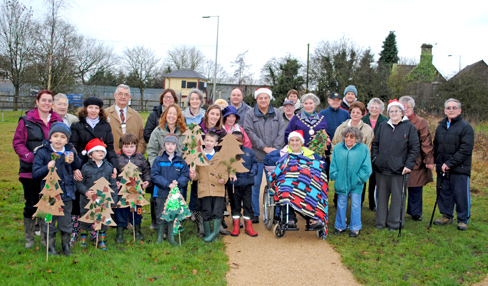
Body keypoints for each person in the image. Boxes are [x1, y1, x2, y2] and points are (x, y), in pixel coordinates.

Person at [13, 89, 62, 249]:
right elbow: (18, 143)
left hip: (51, 171)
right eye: (44, 100)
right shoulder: (26, 120)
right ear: (37, 102)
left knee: (47, 203)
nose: (47, 103)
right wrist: (29, 157)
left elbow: (63, 140)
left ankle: (44, 235)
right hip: (30, 170)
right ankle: (29, 237)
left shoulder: (57, 120)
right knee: (32, 203)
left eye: (49, 101)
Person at [70, 97, 117, 245]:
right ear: (85, 109)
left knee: (100, 198)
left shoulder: (105, 126)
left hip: (102, 167)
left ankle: (96, 230)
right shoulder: (77, 126)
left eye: (96, 108)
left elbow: (109, 148)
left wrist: (114, 166)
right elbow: (73, 146)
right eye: (90, 108)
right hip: (84, 166)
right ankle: (78, 229)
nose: (93, 111)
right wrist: (75, 167)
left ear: (100, 110)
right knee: (82, 199)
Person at [32, 122, 81, 256]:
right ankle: (50, 246)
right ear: (50, 138)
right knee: (49, 220)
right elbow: (35, 174)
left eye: (62, 137)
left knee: (66, 221)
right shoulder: (42, 152)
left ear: (67, 139)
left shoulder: (70, 151)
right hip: (50, 195)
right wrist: (46, 167)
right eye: (55, 136)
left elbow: (78, 165)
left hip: (67, 193)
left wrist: (73, 161)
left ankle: (66, 246)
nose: (59, 139)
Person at [372, 100, 419, 230]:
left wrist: (408, 165)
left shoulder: (410, 128)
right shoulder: (383, 126)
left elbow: (414, 148)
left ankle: (394, 223)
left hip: (400, 170)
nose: (394, 113)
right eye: (391, 111)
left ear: (402, 113)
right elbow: (375, 143)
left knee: (398, 198)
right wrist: (376, 159)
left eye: (396, 111)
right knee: (381, 197)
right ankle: (380, 222)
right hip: (382, 169)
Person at [268, 130, 328, 230]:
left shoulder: (311, 154)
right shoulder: (283, 154)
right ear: (289, 142)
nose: (295, 143)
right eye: (292, 140)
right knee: (286, 191)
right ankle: (290, 218)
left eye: (297, 140)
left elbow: (321, 165)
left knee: (313, 190)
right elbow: (276, 168)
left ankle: (313, 219)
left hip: (306, 181)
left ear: (301, 143)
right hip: (288, 181)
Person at [244, 87, 286, 223]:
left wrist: (274, 149)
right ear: (257, 99)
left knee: (274, 185)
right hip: (256, 156)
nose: (263, 100)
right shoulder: (250, 114)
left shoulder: (277, 113)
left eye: (266, 98)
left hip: (274, 157)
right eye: (260, 98)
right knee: (254, 185)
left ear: (269, 99)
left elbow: (282, 131)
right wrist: (264, 147)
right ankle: (254, 213)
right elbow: (249, 131)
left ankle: (276, 213)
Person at [433, 98, 474, 231]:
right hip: (443, 168)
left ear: (459, 110)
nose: (451, 110)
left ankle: (463, 219)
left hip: (459, 168)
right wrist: (434, 162)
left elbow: (465, 150)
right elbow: (437, 146)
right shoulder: (441, 127)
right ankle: (446, 215)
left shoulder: (466, 127)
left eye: (454, 108)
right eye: (448, 108)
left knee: (460, 194)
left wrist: (450, 163)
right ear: (445, 110)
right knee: (444, 192)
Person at [76, 138, 118, 251]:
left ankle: (102, 240)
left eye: (102, 151)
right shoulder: (85, 168)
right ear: (90, 155)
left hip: (104, 199)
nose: (100, 153)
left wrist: (114, 199)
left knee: (103, 219)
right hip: (88, 200)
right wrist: (85, 191)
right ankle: (83, 238)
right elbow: (79, 183)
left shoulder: (109, 167)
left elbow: (113, 184)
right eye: (97, 151)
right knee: (86, 219)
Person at [329, 126, 372, 238]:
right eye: (347, 136)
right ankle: (339, 226)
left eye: (352, 137)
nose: (349, 139)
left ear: (357, 138)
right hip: (341, 182)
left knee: (355, 205)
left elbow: (367, 167)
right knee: (341, 204)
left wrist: (359, 179)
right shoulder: (338, 148)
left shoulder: (363, 149)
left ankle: (355, 227)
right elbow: (333, 163)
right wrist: (334, 175)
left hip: (356, 183)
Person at [189, 131, 230, 242]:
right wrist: (193, 175)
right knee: (206, 211)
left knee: (217, 211)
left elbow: (225, 173)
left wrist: (223, 179)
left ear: (216, 144)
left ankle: (214, 234)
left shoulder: (220, 157)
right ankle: (208, 235)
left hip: (218, 189)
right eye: (206, 140)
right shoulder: (198, 156)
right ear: (203, 141)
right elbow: (196, 175)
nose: (208, 143)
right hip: (204, 189)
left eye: (211, 141)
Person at [399, 96, 434, 222]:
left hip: (416, 160)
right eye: (403, 107)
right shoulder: (396, 120)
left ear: (412, 108)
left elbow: (426, 141)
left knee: (415, 187)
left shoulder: (420, 122)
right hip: (399, 159)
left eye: (408, 107)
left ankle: (415, 212)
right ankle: (398, 210)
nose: (406, 109)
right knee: (400, 187)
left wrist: (429, 160)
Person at [151, 134, 190, 244]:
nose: (170, 146)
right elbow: (154, 175)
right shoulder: (158, 160)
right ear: (164, 146)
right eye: (168, 144)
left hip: (175, 193)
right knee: (160, 213)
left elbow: (185, 175)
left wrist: (178, 182)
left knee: (172, 214)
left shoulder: (181, 161)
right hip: (161, 192)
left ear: (177, 146)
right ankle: (159, 236)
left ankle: (171, 236)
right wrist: (167, 184)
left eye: (173, 144)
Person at [114, 133, 151, 243]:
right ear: (121, 146)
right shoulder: (117, 158)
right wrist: (115, 181)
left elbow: (146, 171)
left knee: (136, 212)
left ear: (136, 146)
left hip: (136, 192)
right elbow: (113, 172)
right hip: (122, 192)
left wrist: (147, 181)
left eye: (131, 146)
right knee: (121, 211)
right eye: (126, 146)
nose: (129, 149)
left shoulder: (140, 158)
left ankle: (138, 230)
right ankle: (120, 232)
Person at [228, 131, 258, 237]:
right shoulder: (228, 153)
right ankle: (236, 226)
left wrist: (254, 170)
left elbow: (254, 163)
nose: (237, 143)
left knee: (247, 205)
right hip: (234, 185)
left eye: (239, 141)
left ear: (243, 141)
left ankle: (248, 227)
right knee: (235, 205)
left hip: (247, 184)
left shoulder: (249, 152)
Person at [363, 98, 388, 211]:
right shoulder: (363, 120)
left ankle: (373, 204)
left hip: (378, 154)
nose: (374, 109)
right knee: (362, 179)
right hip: (364, 153)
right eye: (372, 107)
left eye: (376, 107)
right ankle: (360, 201)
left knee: (375, 180)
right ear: (368, 108)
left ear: (381, 109)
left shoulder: (385, 121)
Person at [107, 84, 146, 154]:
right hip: (111, 158)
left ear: (130, 97)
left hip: (132, 159)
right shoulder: (105, 114)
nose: (123, 97)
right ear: (115, 95)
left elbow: (142, 138)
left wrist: (137, 154)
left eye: (126, 95)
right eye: (120, 94)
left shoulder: (137, 116)